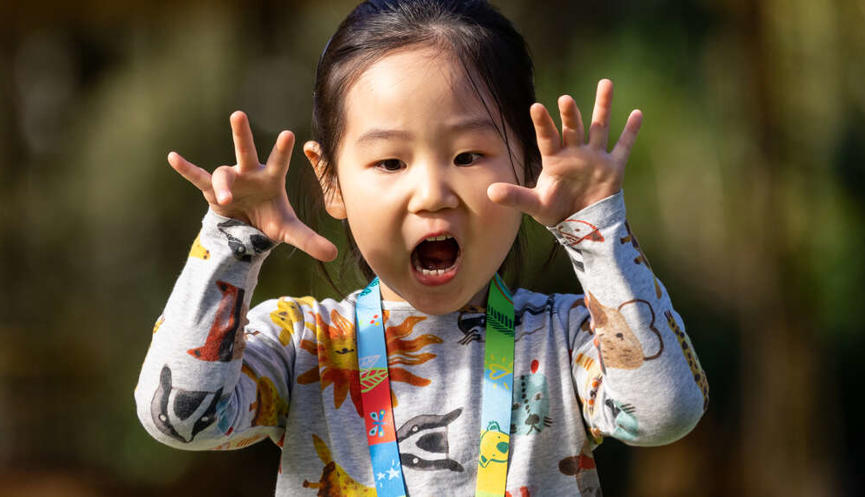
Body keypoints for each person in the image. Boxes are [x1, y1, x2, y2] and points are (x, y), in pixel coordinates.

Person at [135, 0, 709, 495]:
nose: (432, 194)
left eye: (467, 156)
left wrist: (596, 230)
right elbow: (182, 418)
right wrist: (231, 242)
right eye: (390, 162)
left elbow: (663, 413)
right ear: (330, 181)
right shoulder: (302, 346)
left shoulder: (568, 339)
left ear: (529, 167)